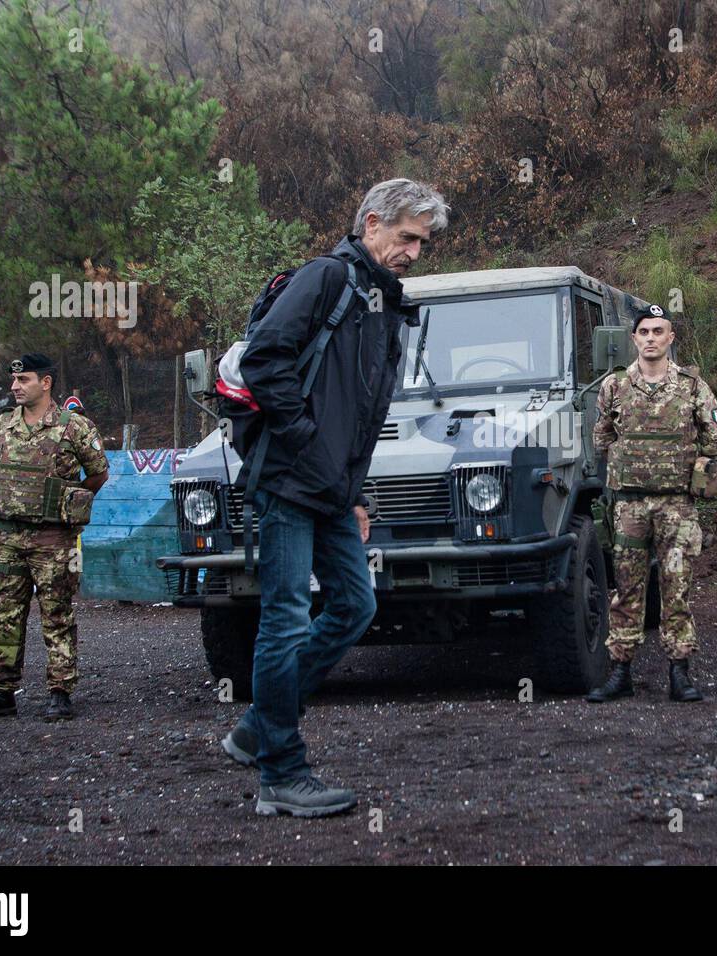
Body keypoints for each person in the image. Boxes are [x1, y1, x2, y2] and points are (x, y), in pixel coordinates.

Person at [221, 178, 449, 818]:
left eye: (423, 243)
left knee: (354, 605)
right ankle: (280, 774)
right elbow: (265, 359)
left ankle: (259, 725)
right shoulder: (326, 279)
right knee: (287, 616)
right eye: (407, 237)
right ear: (372, 223)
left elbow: (361, 414)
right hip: (290, 482)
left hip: (330, 490)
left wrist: (354, 491)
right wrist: (304, 442)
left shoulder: (384, 302)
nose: (414, 251)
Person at [587, 304, 717, 703]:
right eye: (644, 331)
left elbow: (716, 440)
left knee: (676, 589)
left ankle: (679, 674)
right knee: (627, 590)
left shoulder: (692, 386)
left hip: (676, 508)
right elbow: (601, 439)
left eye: (658, 331)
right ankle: (620, 673)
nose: (650, 338)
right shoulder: (613, 387)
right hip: (629, 507)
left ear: (670, 338)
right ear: (634, 339)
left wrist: (686, 464)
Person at [0, 353, 108, 720]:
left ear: (45, 383)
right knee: (6, 615)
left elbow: (98, 474)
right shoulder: (1, 426)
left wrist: (66, 500)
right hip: (9, 538)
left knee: (57, 615)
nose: (15, 387)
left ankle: (60, 692)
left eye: (24, 380)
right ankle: (0, 692)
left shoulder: (73, 427)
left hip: (52, 539)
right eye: (13, 381)